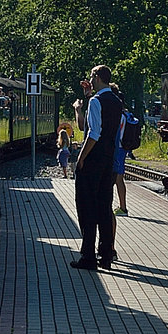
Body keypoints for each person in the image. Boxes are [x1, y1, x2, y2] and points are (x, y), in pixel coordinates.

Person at [70, 64, 122, 271]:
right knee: (104, 206)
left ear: (98, 77)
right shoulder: (117, 102)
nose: (90, 79)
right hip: (108, 159)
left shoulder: (96, 102)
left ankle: (88, 256)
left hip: (93, 160)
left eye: (92, 75)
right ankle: (106, 254)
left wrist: (82, 158)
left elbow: (93, 133)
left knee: (87, 207)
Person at [110, 84, 129, 217]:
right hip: (122, 148)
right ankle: (122, 206)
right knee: (118, 178)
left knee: (118, 179)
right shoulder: (124, 113)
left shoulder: (119, 115)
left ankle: (123, 208)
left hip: (119, 149)